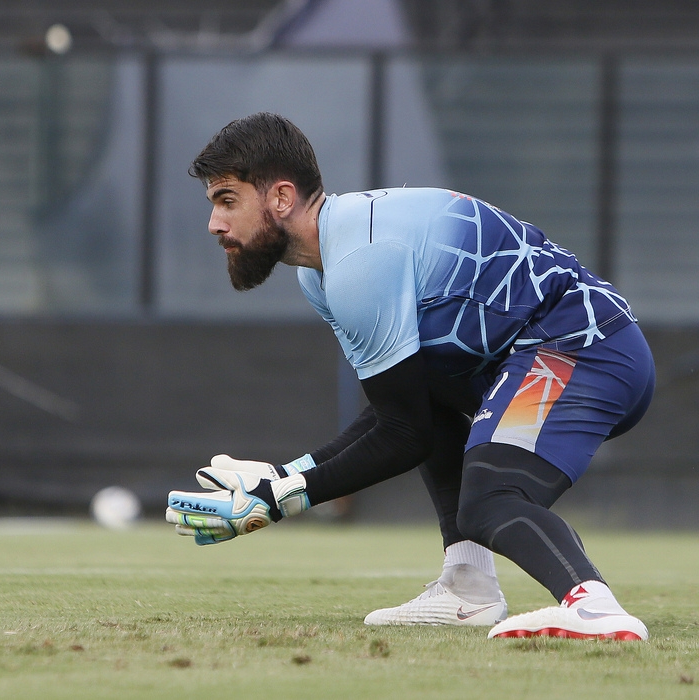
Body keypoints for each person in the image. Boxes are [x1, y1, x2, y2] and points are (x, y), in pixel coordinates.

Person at [165, 112, 655, 641]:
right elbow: (401, 413)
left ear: (282, 197)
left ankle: (593, 606)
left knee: (492, 496)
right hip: (552, 349)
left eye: (227, 200)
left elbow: (404, 438)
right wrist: (282, 478)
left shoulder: (359, 262)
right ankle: (468, 588)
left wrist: (282, 497)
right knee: (428, 393)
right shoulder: (321, 270)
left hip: (586, 347)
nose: (215, 223)